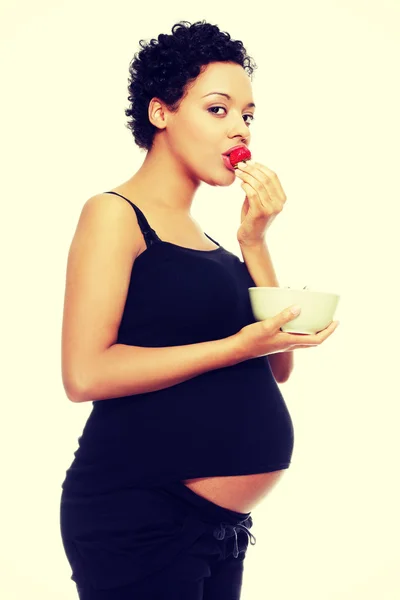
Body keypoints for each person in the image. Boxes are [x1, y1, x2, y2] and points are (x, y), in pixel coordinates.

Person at [59, 20, 339, 600]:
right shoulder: (114, 214)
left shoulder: (213, 245)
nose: (240, 128)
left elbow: (277, 367)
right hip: (137, 517)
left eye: (248, 115)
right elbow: (85, 374)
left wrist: (255, 242)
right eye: (218, 109)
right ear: (161, 112)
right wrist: (235, 346)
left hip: (218, 530)